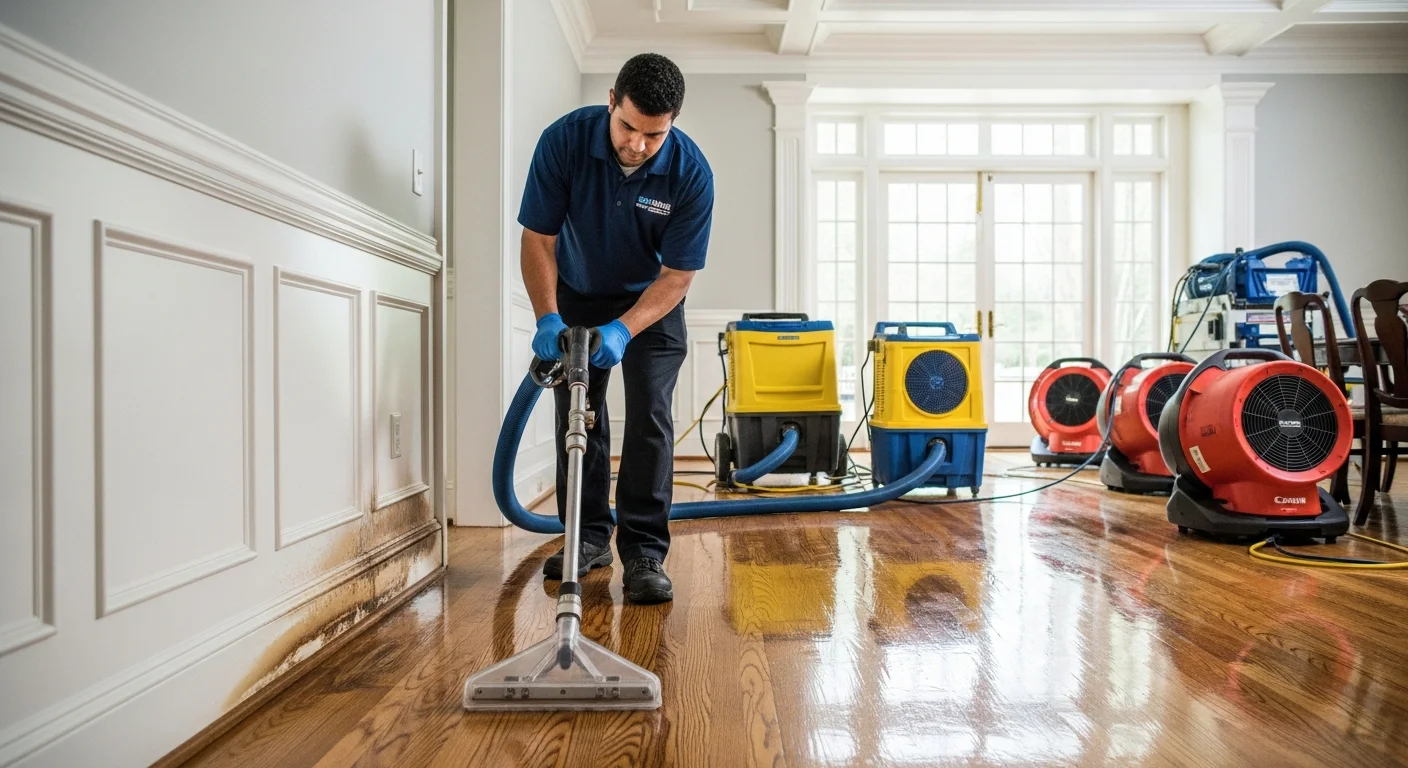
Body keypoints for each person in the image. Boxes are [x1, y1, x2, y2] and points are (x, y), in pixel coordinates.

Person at [517, 53, 713, 604]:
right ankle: (586, 538)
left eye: (654, 134)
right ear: (611, 101)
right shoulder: (565, 142)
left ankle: (645, 551)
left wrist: (624, 330)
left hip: (652, 301)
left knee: (650, 412)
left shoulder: (691, 173)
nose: (638, 144)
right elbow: (538, 239)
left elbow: (678, 275)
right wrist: (547, 317)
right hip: (576, 292)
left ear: (671, 122)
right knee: (578, 410)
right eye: (628, 127)